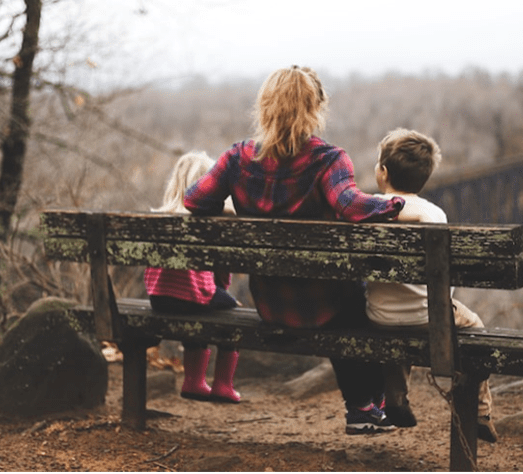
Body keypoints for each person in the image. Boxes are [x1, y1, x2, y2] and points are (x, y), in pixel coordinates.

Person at [183, 65, 405, 435]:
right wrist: (395, 204)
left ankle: (367, 406)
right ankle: (366, 405)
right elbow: (351, 206)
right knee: (361, 299)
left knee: (349, 296)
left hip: (271, 303)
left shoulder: (238, 158)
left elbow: (194, 200)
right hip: (327, 305)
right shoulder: (328, 160)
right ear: (316, 108)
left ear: (265, 106)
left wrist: (228, 210)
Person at [365, 128, 499, 443]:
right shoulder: (434, 214)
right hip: (429, 317)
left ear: (383, 173)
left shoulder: (368, 209)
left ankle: (395, 397)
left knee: (397, 317)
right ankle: (480, 411)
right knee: (475, 326)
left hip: (378, 316)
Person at [145, 151, 243, 404]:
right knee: (233, 312)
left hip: (158, 298)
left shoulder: (160, 218)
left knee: (198, 305)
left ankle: (194, 381)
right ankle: (222, 384)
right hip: (193, 296)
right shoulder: (209, 220)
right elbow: (219, 276)